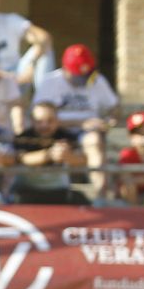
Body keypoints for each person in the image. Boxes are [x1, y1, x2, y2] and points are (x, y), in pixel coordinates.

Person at [32, 43, 116, 193]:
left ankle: (100, 194)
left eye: (84, 74)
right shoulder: (50, 81)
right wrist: (81, 123)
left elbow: (114, 107)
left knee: (94, 141)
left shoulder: (97, 80)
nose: (82, 78)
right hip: (56, 131)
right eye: (77, 74)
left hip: (88, 134)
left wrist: (109, 120)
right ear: (65, 67)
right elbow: (39, 117)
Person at [12, 101, 86, 205]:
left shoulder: (67, 136)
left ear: (57, 121)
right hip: (27, 191)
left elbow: (83, 160)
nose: (44, 125)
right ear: (32, 121)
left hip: (59, 190)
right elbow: (20, 159)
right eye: (39, 121)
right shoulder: (23, 138)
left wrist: (69, 157)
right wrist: (49, 155)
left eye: (50, 121)